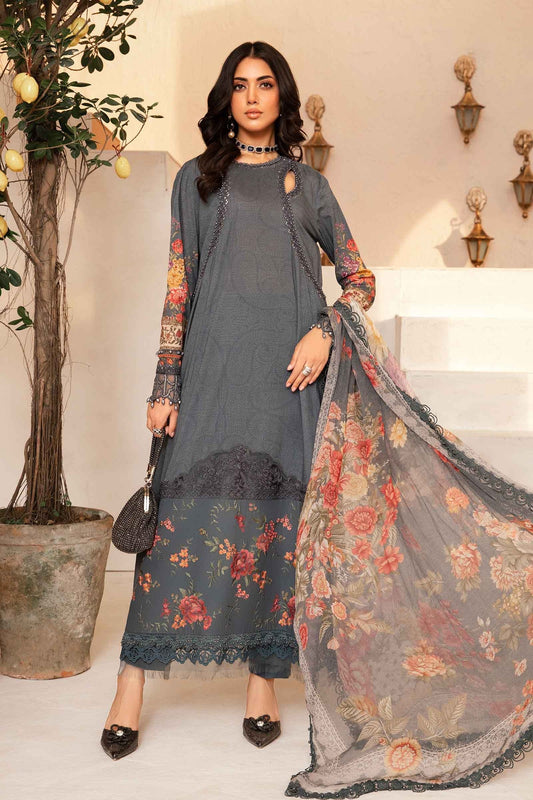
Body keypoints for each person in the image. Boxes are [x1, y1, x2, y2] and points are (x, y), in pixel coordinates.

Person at [101, 40, 376, 760]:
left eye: (265, 84)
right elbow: (177, 287)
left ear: (282, 97)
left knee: (277, 534)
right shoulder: (197, 179)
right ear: (226, 97)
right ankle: (129, 685)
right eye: (240, 85)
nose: (252, 96)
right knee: (171, 533)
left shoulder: (307, 185)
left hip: (286, 386)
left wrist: (324, 331)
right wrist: (166, 383)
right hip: (211, 377)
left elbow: (360, 280)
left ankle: (263, 682)